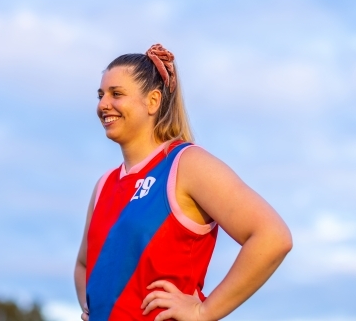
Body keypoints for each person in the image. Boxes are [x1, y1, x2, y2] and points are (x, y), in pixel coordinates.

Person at [74, 44, 292, 321]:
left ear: (153, 101)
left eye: (116, 94)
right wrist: (93, 308)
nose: (103, 104)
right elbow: (84, 263)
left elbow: (273, 237)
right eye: (101, 95)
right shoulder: (104, 184)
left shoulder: (186, 164)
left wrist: (204, 311)